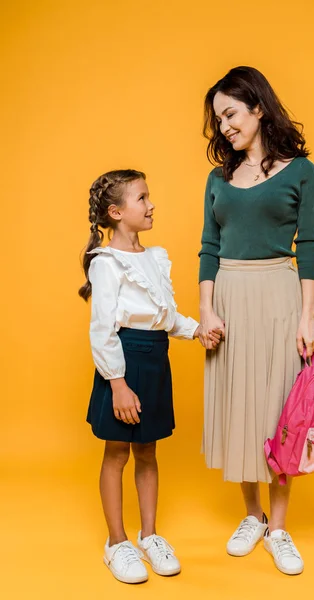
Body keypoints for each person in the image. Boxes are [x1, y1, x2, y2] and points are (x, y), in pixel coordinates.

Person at [198, 66, 314, 575]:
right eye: (218, 119)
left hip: (278, 295)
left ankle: (278, 528)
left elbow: (309, 246)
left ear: (259, 108)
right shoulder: (218, 178)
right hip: (227, 294)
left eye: (230, 113)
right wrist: (206, 307)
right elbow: (208, 246)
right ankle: (251, 514)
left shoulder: (302, 172)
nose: (223, 126)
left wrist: (308, 317)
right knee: (240, 406)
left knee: (279, 412)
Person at [79, 169, 221, 584]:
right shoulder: (106, 263)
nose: (151, 204)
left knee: (147, 452)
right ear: (117, 212)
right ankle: (117, 542)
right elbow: (102, 328)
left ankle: (150, 535)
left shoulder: (155, 257)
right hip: (123, 362)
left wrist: (196, 329)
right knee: (117, 453)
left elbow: (162, 316)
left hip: (156, 360)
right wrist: (118, 384)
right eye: (142, 198)